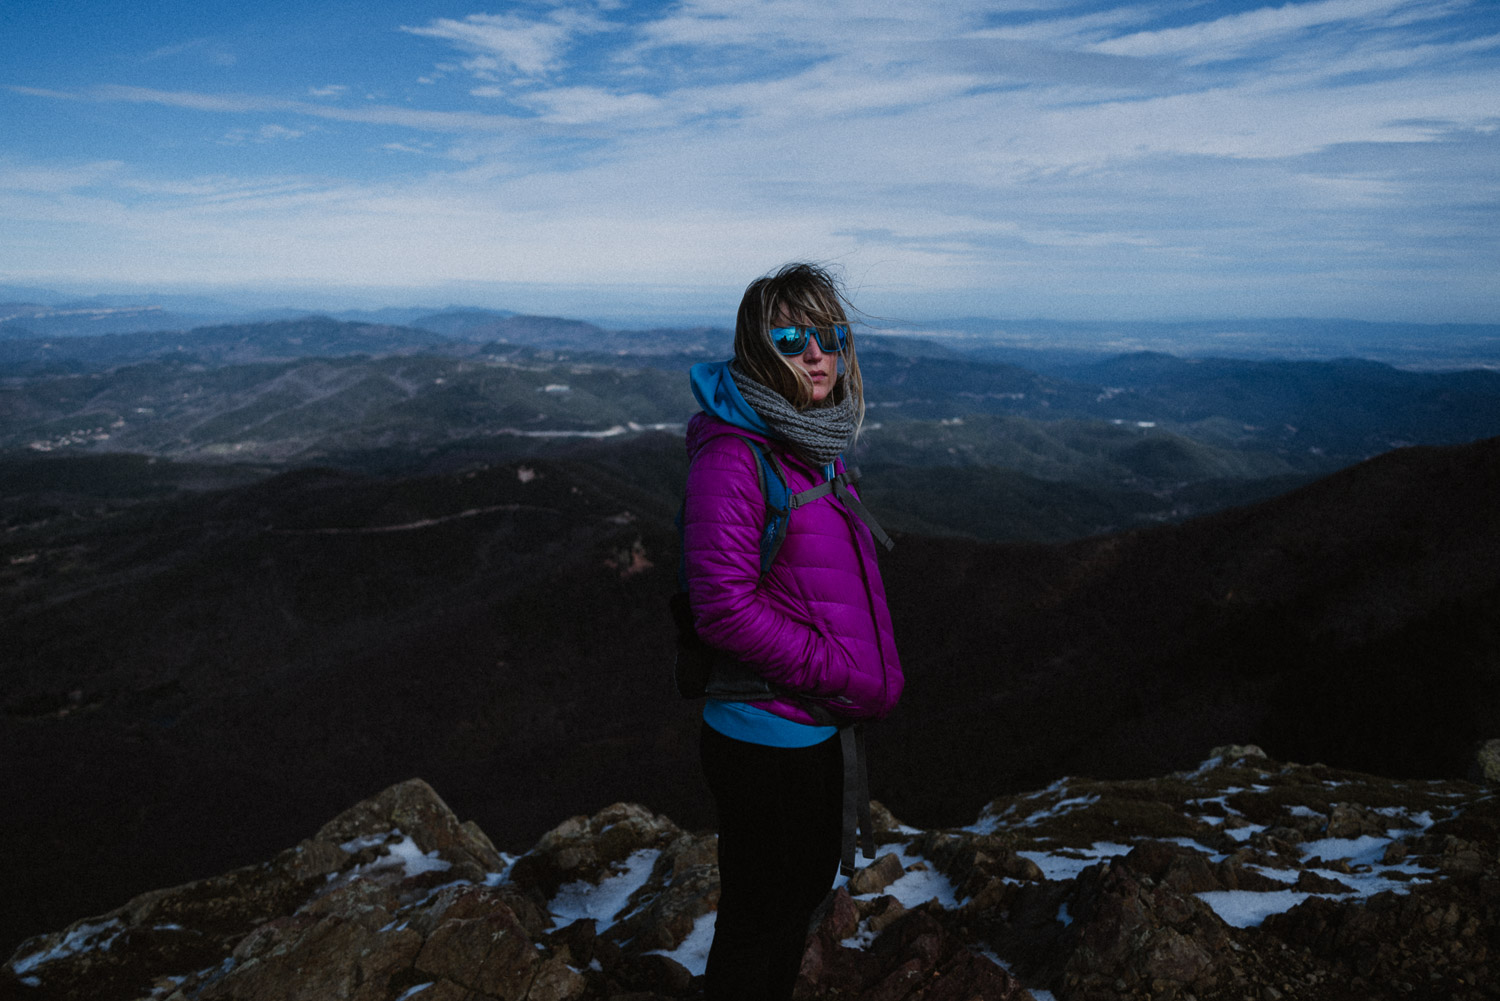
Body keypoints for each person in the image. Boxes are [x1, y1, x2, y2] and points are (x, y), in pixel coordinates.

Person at [680, 262, 904, 1001]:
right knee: (762, 917)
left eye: (830, 335)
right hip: (762, 734)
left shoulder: (808, 442)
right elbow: (722, 605)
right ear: (757, 347)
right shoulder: (734, 455)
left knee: (793, 903)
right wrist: (838, 670)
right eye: (792, 336)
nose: (817, 353)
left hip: (809, 729)